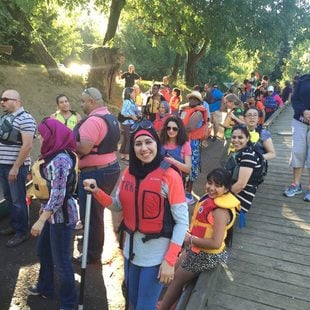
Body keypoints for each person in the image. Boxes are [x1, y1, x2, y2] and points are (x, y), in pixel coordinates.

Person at [83, 121, 188, 310]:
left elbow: (182, 222)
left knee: (144, 306)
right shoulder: (128, 172)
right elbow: (117, 206)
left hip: (156, 256)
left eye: (148, 142)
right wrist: (97, 191)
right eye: (138, 144)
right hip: (130, 251)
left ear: (157, 143)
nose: (144, 148)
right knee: (131, 299)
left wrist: (170, 260)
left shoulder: (170, 176)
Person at [158, 168, 240, 309]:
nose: (211, 188)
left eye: (217, 185)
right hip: (196, 248)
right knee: (174, 267)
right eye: (209, 183)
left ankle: (163, 306)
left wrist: (190, 239)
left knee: (177, 279)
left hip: (208, 255)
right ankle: (172, 301)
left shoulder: (220, 211)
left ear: (226, 189)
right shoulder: (210, 200)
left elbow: (216, 243)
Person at [28, 118, 78, 309]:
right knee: (43, 251)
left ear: (51, 135)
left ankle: (69, 302)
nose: (39, 137)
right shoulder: (53, 154)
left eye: (41, 134)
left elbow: (58, 195)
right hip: (51, 215)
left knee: (62, 261)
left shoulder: (61, 160)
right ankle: (45, 287)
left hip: (62, 218)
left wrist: (40, 220)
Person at [73, 87, 121, 264]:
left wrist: (67, 141)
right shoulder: (110, 117)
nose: (81, 104)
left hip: (96, 172)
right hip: (109, 168)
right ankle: (91, 244)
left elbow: (84, 148)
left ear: (92, 101)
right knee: (95, 212)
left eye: (83, 101)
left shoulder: (93, 121)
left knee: (91, 214)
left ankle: (91, 253)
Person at [0, 90, 36, 247]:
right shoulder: (6, 118)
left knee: (18, 200)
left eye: (5, 99)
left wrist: (15, 167)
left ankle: (22, 232)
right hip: (3, 165)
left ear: (17, 101)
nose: (2, 102)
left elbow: (27, 146)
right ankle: (15, 225)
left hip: (15, 167)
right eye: (2, 99)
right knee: (9, 198)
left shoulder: (26, 119)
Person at [224, 125, 263, 226]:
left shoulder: (248, 155)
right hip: (234, 194)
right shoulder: (241, 153)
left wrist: (222, 195)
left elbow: (241, 185)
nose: (236, 140)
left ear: (248, 138)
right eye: (234, 137)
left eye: (240, 137)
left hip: (240, 199)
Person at [283, 74, 310, 201]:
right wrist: (304, 111)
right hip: (300, 121)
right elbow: (295, 99)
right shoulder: (303, 80)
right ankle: (296, 184)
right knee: (297, 152)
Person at [180, 91, 208, 204]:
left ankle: (188, 193)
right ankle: (181, 190)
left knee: (191, 166)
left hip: (192, 143)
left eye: (195, 99)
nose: (192, 100)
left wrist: (178, 127)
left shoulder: (198, 113)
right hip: (183, 140)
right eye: (191, 98)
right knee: (181, 164)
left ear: (199, 101)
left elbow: (189, 127)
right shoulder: (186, 110)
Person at [159, 116, 192, 180]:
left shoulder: (185, 145)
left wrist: (173, 162)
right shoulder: (160, 142)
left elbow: (188, 169)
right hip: (160, 178)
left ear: (179, 130)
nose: (171, 131)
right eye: (168, 128)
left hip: (177, 180)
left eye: (174, 129)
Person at [119, 87, 141, 162]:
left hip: (131, 122)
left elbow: (135, 110)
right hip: (127, 123)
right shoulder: (127, 102)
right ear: (129, 93)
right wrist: (131, 116)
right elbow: (123, 112)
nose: (134, 93)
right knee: (130, 139)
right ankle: (127, 156)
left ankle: (122, 154)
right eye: (133, 92)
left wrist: (138, 113)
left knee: (126, 138)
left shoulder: (132, 101)